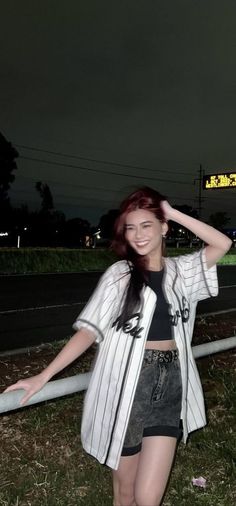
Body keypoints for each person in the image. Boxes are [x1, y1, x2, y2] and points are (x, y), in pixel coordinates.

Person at [4, 187, 232, 506]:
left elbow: (223, 243)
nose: (137, 234)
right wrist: (43, 376)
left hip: (170, 386)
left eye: (147, 225)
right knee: (125, 495)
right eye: (130, 227)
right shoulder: (120, 276)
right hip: (126, 386)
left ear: (164, 226)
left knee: (148, 498)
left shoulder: (182, 271)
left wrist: (174, 212)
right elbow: (88, 332)